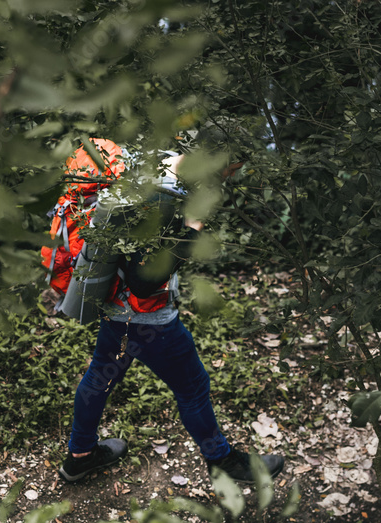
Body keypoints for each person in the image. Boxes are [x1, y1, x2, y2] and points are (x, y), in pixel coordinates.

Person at [57, 151, 285, 484]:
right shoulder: (162, 199)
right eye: (230, 170)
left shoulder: (151, 162)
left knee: (100, 377)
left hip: (113, 306)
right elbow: (145, 281)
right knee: (193, 388)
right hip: (149, 322)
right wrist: (192, 229)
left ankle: (80, 456)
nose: (229, 177)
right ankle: (222, 461)